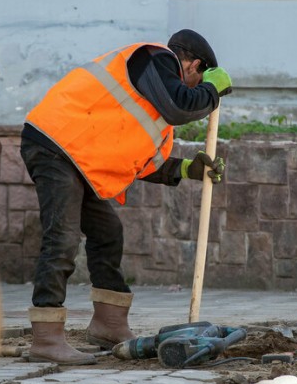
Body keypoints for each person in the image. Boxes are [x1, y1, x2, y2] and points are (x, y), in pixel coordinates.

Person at [20, 29, 232, 365]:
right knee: (62, 237)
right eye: (199, 79)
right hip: (54, 144)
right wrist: (212, 91)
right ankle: (46, 338)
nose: (193, 87)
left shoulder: (154, 108)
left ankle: (109, 324)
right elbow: (181, 106)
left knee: (107, 232)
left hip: (77, 157)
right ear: (192, 65)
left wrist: (189, 168)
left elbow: (147, 164)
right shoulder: (155, 58)